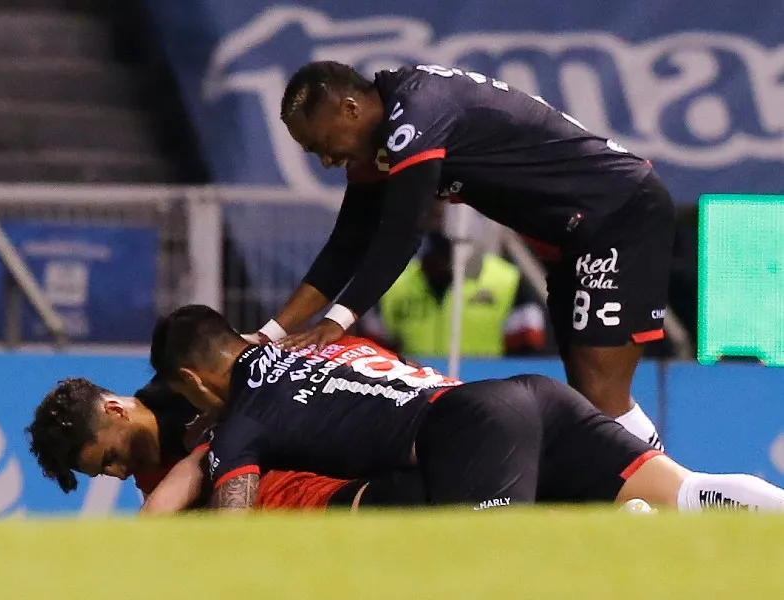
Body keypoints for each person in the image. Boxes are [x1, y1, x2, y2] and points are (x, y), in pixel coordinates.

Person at [244, 60, 677, 449]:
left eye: (323, 143)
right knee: (587, 393)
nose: (325, 160)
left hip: (618, 210)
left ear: (351, 109)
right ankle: (648, 496)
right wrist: (270, 333)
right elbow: (346, 245)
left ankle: (672, 493)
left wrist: (337, 321)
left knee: (600, 388)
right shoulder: (381, 138)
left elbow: (401, 233)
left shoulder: (417, 112)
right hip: (577, 233)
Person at [154, 305, 784, 512]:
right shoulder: (332, 344)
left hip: (470, 430)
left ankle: (625, 537)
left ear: (190, 379)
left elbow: (231, 516)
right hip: (529, 396)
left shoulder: (244, 419)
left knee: (491, 566)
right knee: (690, 491)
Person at [25, 377, 427, 513]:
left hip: (367, 443)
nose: (119, 473)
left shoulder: (192, 386)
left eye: (110, 458)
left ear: (115, 409)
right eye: (104, 472)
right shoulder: (153, 480)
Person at [379, 230, 546, 357]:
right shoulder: (396, 282)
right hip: (417, 388)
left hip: (486, 384)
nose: (431, 264)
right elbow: (376, 343)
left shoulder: (504, 279)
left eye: (438, 257)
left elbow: (529, 346)